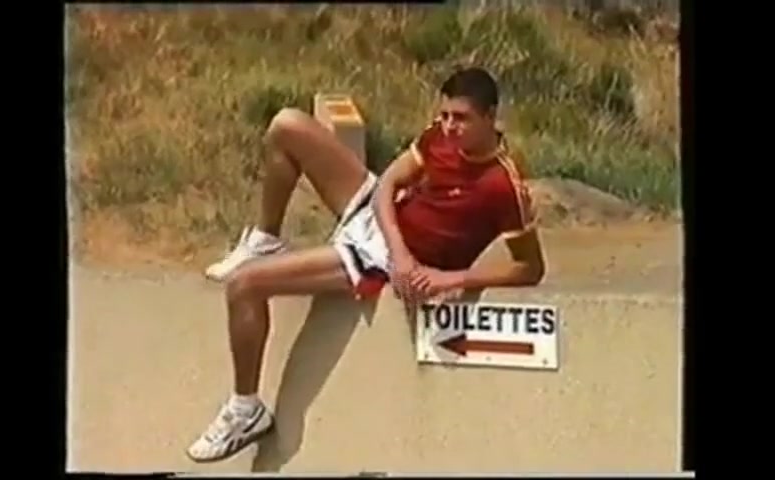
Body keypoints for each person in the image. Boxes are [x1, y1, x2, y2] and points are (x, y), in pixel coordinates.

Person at [186, 67, 547, 462]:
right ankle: (265, 239)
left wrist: (447, 279)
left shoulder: (503, 185)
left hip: (375, 261)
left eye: (461, 118)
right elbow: (388, 184)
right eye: (444, 115)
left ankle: (246, 410)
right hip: (382, 223)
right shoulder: (439, 136)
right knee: (287, 125)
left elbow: (529, 269)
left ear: (490, 116)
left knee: (245, 285)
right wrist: (399, 249)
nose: (448, 126)